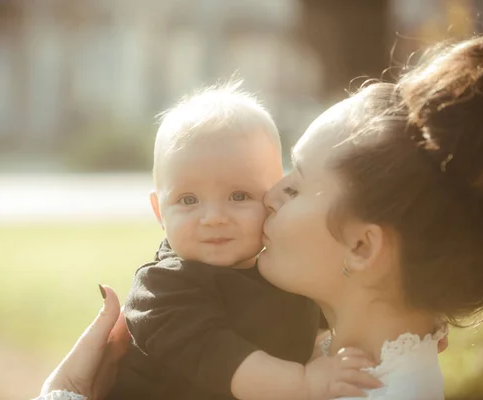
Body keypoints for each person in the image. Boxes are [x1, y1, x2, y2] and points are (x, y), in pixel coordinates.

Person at [36, 31, 483, 400]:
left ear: (362, 247)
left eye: (295, 181)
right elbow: (221, 352)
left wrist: (65, 393)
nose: (272, 196)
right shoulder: (169, 286)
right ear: (160, 210)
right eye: (189, 200)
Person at [106, 83, 380, 400]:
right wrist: (305, 383)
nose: (213, 217)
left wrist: (402, 331)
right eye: (188, 199)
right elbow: (225, 361)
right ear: (159, 211)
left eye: (239, 196)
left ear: (274, 195)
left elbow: (340, 306)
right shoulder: (163, 290)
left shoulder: (283, 268)